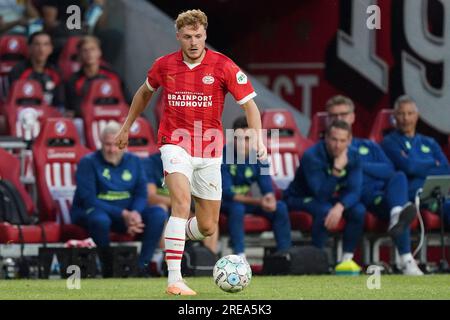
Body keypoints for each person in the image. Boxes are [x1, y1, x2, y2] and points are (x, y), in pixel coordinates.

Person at [114, 9, 267, 295]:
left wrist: (258, 138)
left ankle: (174, 236)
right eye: (187, 37)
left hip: (209, 149)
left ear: (205, 34)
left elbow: (250, 105)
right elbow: (144, 93)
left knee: (208, 226)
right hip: (174, 143)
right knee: (181, 204)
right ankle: (174, 278)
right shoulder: (165, 65)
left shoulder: (223, 66)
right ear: (178, 37)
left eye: (198, 36)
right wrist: (126, 127)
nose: (193, 42)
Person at [325, 95, 423, 275]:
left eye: (343, 115)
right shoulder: (328, 148)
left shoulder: (368, 145)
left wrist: (358, 164)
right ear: (327, 119)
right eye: (334, 116)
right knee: (398, 209)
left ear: (353, 117)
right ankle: (406, 259)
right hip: (357, 198)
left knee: (399, 179)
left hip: (380, 197)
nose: (339, 120)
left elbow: (389, 170)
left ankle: (398, 225)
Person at [70, 121, 168, 276]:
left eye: (116, 144)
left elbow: (141, 194)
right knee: (100, 220)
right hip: (96, 212)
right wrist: (124, 214)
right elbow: (89, 199)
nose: (112, 149)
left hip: (127, 214)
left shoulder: (134, 161)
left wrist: (135, 213)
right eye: (107, 145)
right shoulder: (88, 162)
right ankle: (108, 267)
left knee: (158, 214)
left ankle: (142, 266)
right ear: (101, 143)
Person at [284, 120, 365, 267]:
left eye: (342, 141)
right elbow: (320, 194)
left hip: (330, 200)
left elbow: (355, 191)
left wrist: (340, 206)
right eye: (334, 139)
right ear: (326, 138)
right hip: (299, 198)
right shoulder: (312, 156)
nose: (337, 145)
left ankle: (346, 260)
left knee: (358, 210)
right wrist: (336, 171)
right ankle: (318, 260)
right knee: (324, 210)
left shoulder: (354, 156)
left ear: (349, 140)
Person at [221, 116, 291, 260]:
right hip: (224, 204)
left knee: (280, 207)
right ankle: (240, 256)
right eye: (239, 139)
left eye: (248, 139)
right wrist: (259, 201)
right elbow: (228, 194)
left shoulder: (259, 156)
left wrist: (269, 198)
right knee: (236, 208)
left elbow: (266, 185)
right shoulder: (223, 156)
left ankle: (285, 254)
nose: (243, 144)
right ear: (232, 139)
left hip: (247, 202)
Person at [381, 95, 450, 227]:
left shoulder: (429, 142)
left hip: (436, 192)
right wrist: (432, 163)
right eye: (401, 114)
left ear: (417, 115)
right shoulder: (389, 142)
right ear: (394, 117)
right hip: (411, 195)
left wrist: (415, 164)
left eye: (410, 113)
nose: (406, 118)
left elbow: (446, 169)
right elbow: (409, 167)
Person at [142, 151, 219, 254]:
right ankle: (165, 263)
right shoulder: (150, 163)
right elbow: (151, 197)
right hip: (167, 212)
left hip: (186, 210)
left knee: (208, 219)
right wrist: (181, 203)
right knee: (162, 212)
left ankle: (208, 261)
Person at [65, 35, 129, 117]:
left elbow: (129, 102)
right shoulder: (74, 81)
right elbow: (74, 108)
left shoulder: (113, 76)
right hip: (86, 120)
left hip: (115, 119)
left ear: (99, 52)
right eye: (85, 50)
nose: (89, 54)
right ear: (79, 55)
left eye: (92, 49)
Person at [8, 31, 64, 109]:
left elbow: (60, 101)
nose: (41, 49)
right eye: (37, 44)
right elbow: (14, 101)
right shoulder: (19, 70)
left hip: (49, 114)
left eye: (46, 44)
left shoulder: (55, 71)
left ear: (51, 49)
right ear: (29, 48)